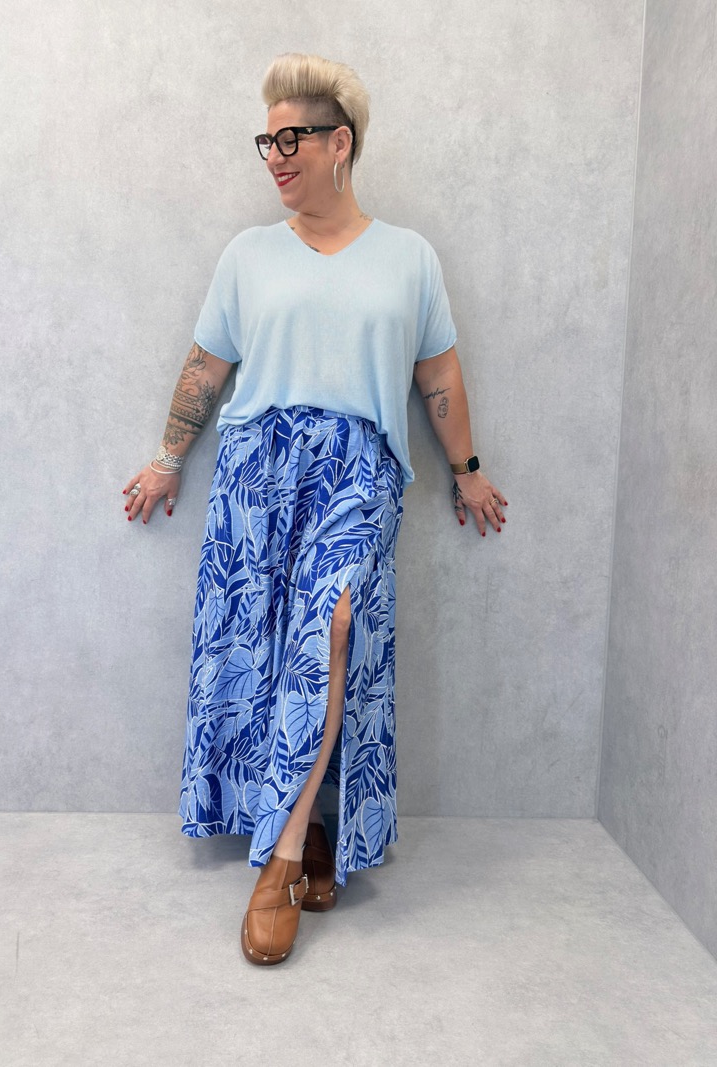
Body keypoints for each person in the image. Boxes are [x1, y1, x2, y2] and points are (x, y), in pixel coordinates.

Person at [122, 52, 507, 966]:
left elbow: (438, 373)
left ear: (342, 144)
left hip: (360, 468)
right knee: (262, 649)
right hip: (256, 467)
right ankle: (315, 825)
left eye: (292, 138)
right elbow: (207, 366)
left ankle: (281, 863)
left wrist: (466, 468)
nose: (276, 157)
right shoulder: (248, 255)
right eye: (267, 142)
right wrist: (168, 457)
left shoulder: (409, 257)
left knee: (330, 627)